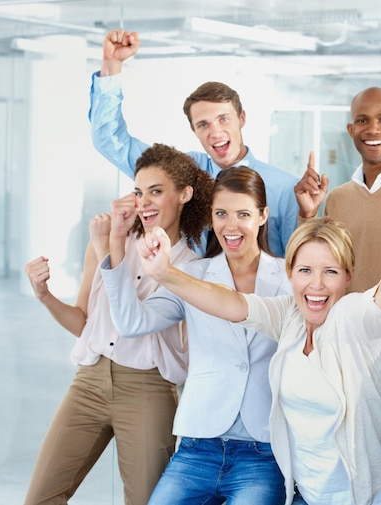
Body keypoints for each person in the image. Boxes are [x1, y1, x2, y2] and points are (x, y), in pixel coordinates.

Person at [128, 212, 381, 505]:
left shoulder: (352, 318)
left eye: (331, 271)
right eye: (305, 270)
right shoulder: (289, 316)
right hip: (306, 497)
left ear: (348, 276)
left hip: (365, 499)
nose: (317, 284)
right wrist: (166, 274)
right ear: (290, 274)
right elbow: (229, 303)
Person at [23, 143, 212, 505]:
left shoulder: (192, 268)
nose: (145, 202)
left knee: (144, 501)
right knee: (40, 497)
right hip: (88, 382)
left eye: (156, 191)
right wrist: (44, 295)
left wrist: (112, 245)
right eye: (139, 192)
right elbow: (83, 323)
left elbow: (133, 323)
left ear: (184, 194)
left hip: (148, 389)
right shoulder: (108, 243)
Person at [99, 167, 290, 504]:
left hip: (263, 451)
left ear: (263, 216)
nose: (231, 226)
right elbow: (132, 323)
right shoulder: (191, 275)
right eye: (221, 214)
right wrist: (116, 242)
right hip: (197, 445)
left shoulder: (289, 277)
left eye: (243, 214)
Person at [294, 86, 381, 502]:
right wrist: (308, 214)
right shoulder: (338, 197)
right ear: (351, 128)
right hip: (352, 355)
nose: (374, 129)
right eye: (364, 121)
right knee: (365, 480)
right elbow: (320, 267)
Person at [89, 29, 299, 257]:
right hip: (186, 289)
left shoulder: (285, 188)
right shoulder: (183, 172)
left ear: (242, 119)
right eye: (203, 124)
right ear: (193, 130)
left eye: (223, 119)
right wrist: (111, 65)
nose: (215, 132)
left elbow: (296, 262)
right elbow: (110, 141)